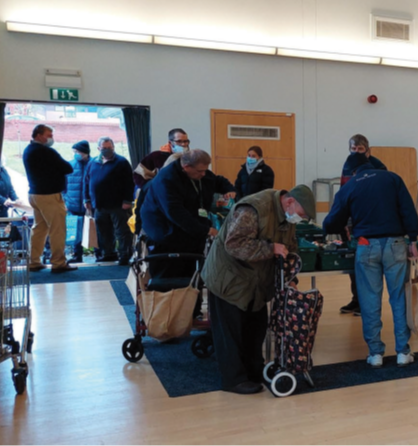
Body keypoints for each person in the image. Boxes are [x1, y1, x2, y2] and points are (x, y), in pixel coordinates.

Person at [202, 185, 314, 395]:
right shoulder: (254, 209)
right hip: (229, 277)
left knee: (256, 327)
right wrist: (269, 248)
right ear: (289, 202)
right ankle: (233, 379)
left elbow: (289, 248)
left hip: (255, 280)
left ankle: (254, 370)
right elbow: (234, 244)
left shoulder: (286, 217)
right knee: (231, 331)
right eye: (301, 215)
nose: (299, 220)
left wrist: (292, 278)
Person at [324, 152, 418, 369]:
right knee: (399, 298)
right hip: (396, 244)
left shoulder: (350, 186)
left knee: (369, 301)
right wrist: (413, 238)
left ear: (353, 172)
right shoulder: (393, 178)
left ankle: (375, 353)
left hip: (366, 245)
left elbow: (332, 222)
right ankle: (403, 352)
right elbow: (408, 210)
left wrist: (338, 228)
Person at [139, 149, 219, 280]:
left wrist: (230, 189)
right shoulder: (166, 179)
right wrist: (205, 230)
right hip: (165, 235)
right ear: (186, 167)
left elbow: (216, 180)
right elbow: (175, 212)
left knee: (190, 279)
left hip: (187, 234)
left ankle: (190, 299)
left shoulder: (194, 173)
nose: (204, 174)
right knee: (168, 280)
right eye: (200, 171)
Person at [337, 134, 389, 316]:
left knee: (367, 264)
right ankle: (356, 299)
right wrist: (342, 221)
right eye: (353, 149)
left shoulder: (379, 166)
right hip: (351, 218)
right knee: (354, 262)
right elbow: (343, 195)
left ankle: (367, 304)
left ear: (368, 150)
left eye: (360, 149)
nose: (356, 153)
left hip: (369, 221)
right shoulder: (347, 165)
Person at [22, 124, 76, 273]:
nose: (51, 138)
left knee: (39, 228)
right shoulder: (46, 152)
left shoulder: (28, 150)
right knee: (57, 229)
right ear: (38, 135)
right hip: (49, 195)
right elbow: (68, 168)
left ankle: (34, 261)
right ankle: (58, 263)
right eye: (49, 135)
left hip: (34, 194)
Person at [84, 137, 136, 265]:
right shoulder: (92, 163)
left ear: (113, 148)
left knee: (122, 232)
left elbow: (130, 183)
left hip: (118, 205)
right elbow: (86, 182)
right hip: (99, 205)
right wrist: (87, 199)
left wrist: (128, 200)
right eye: (104, 148)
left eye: (109, 148)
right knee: (103, 232)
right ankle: (108, 254)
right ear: (98, 149)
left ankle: (124, 255)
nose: (107, 150)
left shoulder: (122, 162)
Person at [63, 141, 91, 263]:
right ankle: (76, 255)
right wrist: (66, 200)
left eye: (78, 152)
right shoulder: (69, 165)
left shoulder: (94, 164)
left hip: (90, 206)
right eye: (74, 152)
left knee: (93, 230)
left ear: (85, 152)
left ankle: (99, 253)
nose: (76, 154)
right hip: (73, 205)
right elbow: (63, 186)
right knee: (75, 231)